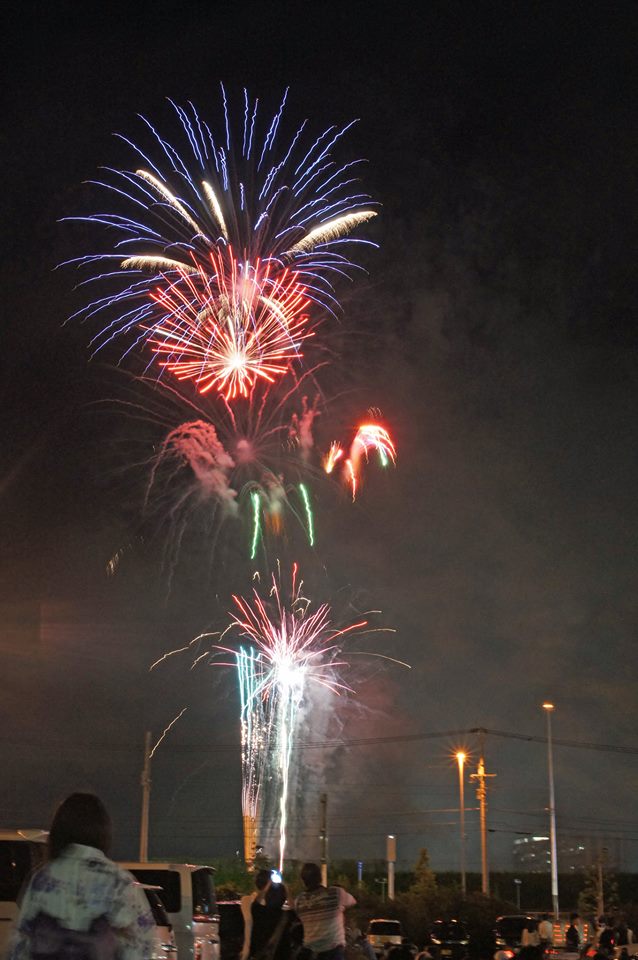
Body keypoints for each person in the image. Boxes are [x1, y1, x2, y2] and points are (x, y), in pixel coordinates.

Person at [8, 792, 154, 960]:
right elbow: (141, 945)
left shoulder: (41, 879)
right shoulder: (120, 882)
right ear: (103, 832)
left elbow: (20, 945)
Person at [294, 862, 356, 960]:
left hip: (310, 953)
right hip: (334, 951)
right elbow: (353, 902)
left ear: (303, 881)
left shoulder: (299, 901)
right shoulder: (336, 893)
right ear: (320, 877)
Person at [240, 870, 298, 960]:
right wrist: (286, 889)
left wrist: (267, 886)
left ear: (266, 897)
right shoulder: (287, 915)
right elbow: (294, 908)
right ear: (284, 899)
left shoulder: (259, 912)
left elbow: (256, 902)